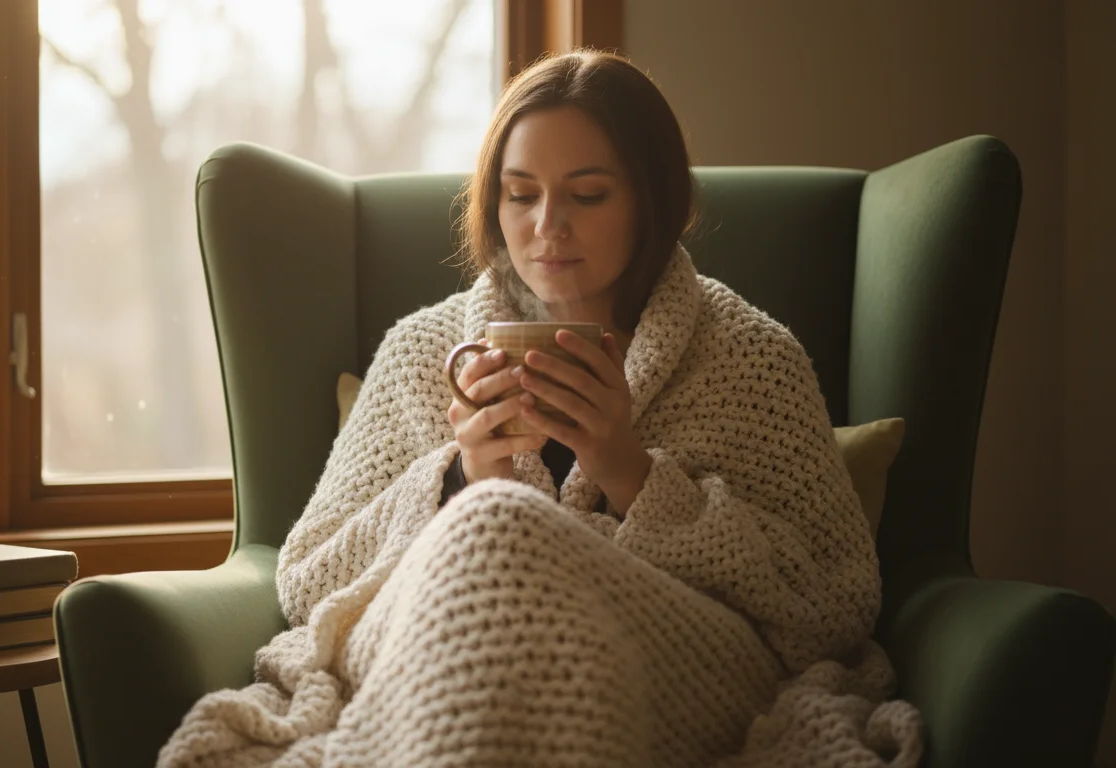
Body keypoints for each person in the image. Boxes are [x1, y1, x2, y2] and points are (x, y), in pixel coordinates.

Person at [159, 50, 921, 767]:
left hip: (673, 676)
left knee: (504, 528)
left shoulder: (750, 358)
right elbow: (308, 581)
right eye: (521, 194)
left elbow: (835, 602)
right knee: (493, 523)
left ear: (653, 202)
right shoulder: (422, 353)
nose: (546, 225)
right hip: (431, 664)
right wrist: (458, 480)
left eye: (587, 195)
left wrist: (632, 475)